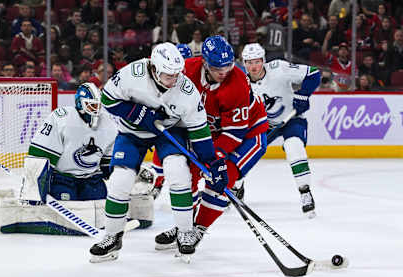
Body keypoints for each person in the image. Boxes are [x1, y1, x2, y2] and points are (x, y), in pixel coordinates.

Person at [89, 42, 228, 263]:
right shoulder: (132, 74)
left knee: (178, 172)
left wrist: (211, 162)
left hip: (169, 132)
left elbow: (199, 130)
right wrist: (137, 112)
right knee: (119, 181)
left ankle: (184, 232)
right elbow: (107, 99)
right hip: (132, 132)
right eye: (168, 75)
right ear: (154, 69)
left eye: (177, 74)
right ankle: (112, 236)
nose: (174, 80)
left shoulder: (186, 90)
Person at [153, 36, 268, 251]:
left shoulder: (238, 83)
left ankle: (198, 229)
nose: (223, 72)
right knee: (189, 175)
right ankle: (184, 226)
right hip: (210, 133)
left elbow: (235, 132)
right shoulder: (188, 70)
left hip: (248, 135)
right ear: (205, 62)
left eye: (228, 66)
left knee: (223, 179)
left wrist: (218, 158)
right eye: (217, 68)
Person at [0, 83, 119, 235]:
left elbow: (108, 163)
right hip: (63, 179)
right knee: (67, 208)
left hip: (91, 180)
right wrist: (34, 191)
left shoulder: (109, 125)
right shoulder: (62, 118)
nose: (96, 111)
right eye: (92, 106)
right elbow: (40, 155)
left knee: (100, 208)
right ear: (80, 103)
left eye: (98, 106)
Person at [242, 43, 321, 218]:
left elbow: (313, 73)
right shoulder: (240, 81)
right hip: (262, 125)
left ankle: (305, 192)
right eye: (249, 62)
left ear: (263, 61)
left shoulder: (279, 68)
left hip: (291, 119)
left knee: (295, 148)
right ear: (244, 63)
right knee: (241, 154)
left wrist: (303, 94)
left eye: (257, 61)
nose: (253, 66)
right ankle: (237, 185)